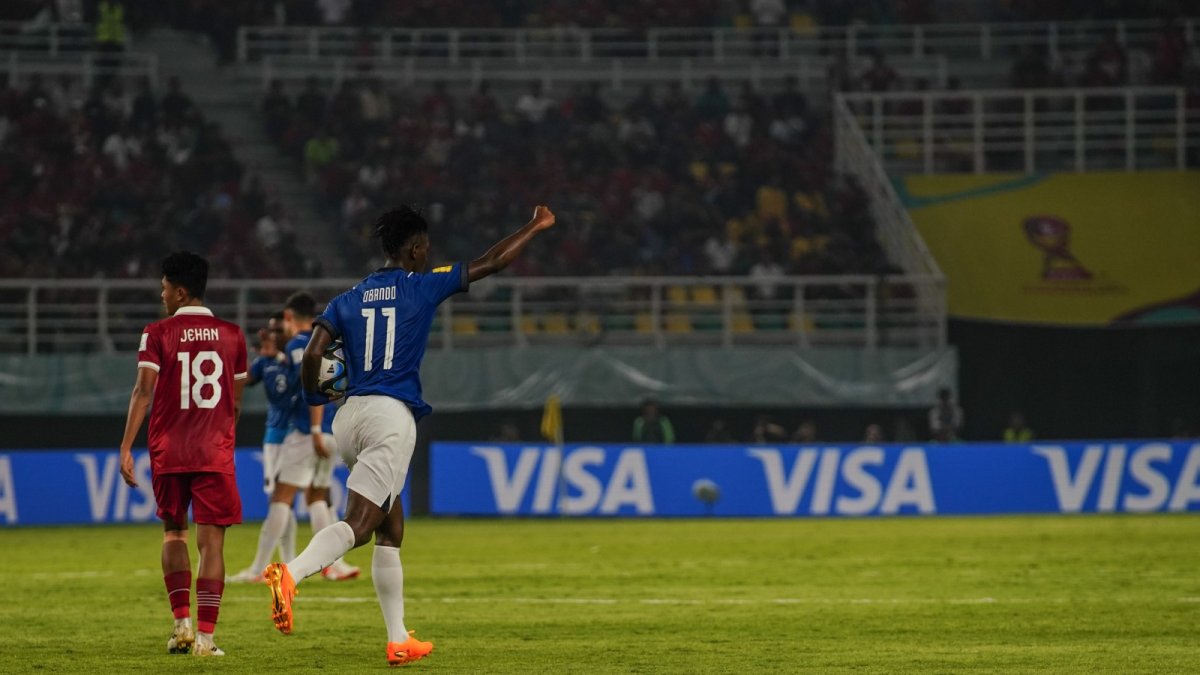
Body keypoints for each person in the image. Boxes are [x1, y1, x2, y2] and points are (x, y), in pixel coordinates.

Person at [262, 204, 556, 667]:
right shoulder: (422, 285)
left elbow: (313, 354)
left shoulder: (347, 297)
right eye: (426, 249)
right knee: (360, 524)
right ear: (416, 249)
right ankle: (291, 573)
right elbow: (494, 261)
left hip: (349, 417)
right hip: (389, 417)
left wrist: (315, 396)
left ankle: (399, 639)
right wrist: (535, 226)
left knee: (391, 525)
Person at [118, 251, 248, 657]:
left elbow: (143, 391)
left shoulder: (156, 333)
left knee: (173, 532)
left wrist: (126, 446)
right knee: (213, 546)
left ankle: (182, 628)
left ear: (181, 290)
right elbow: (236, 403)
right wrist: (223, 439)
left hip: (169, 450)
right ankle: (207, 640)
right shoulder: (233, 335)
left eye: (164, 288)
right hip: (213, 450)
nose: (162, 295)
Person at [232, 292, 357, 583]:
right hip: (331, 428)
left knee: (281, 498)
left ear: (289, 318)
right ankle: (334, 566)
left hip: (306, 431)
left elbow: (309, 388)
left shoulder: (301, 345)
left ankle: (258, 570)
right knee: (317, 497)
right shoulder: (324, 340)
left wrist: (312, 429)